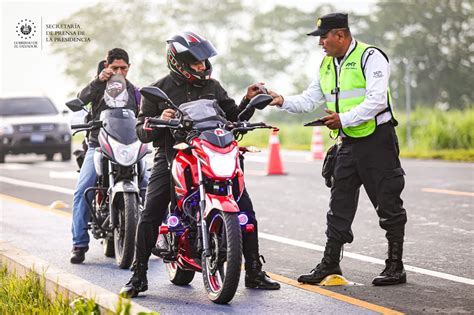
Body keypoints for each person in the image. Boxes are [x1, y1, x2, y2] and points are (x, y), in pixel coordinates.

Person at [120, 31, 280, 298]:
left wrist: (248, 101)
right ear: (178, 62)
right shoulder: (158, 90)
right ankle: (138, 276)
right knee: (151, 211)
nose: (202, 67)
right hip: (172, 155)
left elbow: (233, 118)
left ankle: (253, 271)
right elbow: (142, 131)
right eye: (196, 63)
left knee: (245, 206)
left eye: (204, 62)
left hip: (210, 152)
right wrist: (160, 118)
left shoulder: (213, 87)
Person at [268, 13, 407, 286]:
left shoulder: (371, 57)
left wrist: (344, 118)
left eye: (324, 36)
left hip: (377, 140)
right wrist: (281, 100)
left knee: (389, 203)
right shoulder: (326, 65)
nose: (320, 42)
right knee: (338, 206)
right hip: (347, 143)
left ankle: (395, 266)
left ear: (340, 35)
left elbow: (377, 100)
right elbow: (309, 100)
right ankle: (331, 263)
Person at [70, 48, 148, 264]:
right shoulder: (98, 87)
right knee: (83, 189)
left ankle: (157, 239)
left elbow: (147, 113)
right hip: (99, 145)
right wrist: (98, 80)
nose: (119, 71)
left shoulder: (136, 92)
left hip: (131, 145)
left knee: (150, 185)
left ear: (129, 68)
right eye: (115, 68)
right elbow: (81, 98)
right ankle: (79, 244)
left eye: (123, 68)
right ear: (107, 66)